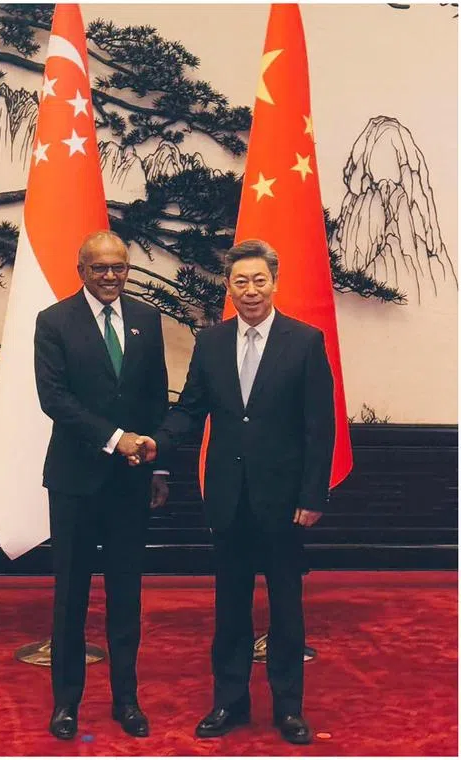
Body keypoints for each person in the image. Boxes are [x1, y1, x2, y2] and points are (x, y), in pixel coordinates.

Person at [133, 239, 334, 745]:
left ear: (274, 282)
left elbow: (319, 427)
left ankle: (288, 709)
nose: (250, 291)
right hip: (226, 498)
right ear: (230, 287)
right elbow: (190, 409)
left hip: (286, 502)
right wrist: (157, 441)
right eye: (240, 282)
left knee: (287, 608)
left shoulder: (305, 341)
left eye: (259, 280)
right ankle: (229, 702)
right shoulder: (212, 342)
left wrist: (313, 496)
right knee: (230, 609)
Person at [34, 230, 170, 740]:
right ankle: (66, 703)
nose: (110, 276)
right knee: (70, 594)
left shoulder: (145, 320)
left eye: (119, 267)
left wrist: (158, 466)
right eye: (100, 268)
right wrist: (116, 438)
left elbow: (156, 395)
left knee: (126, 594)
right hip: (74, 480)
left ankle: (125, 700)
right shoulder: (54, 322)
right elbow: (55, 398)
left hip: (132, 482)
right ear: (81, 270)